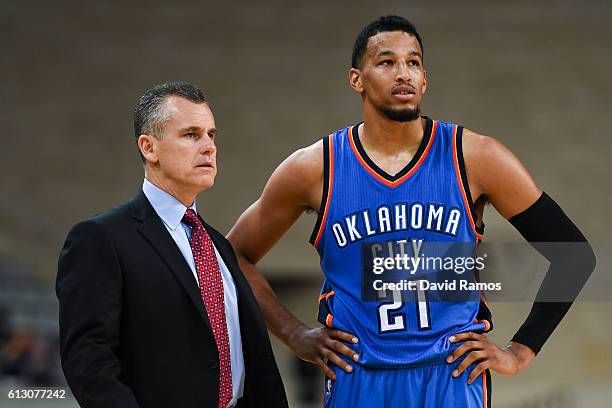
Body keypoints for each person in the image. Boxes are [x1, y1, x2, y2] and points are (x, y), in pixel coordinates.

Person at [227, 16, 595, 407]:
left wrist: (521, 350)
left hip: (450, 375)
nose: (403, 73)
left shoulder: (476, 157)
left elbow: (574, 256)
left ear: (424, 79)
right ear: (357, 79)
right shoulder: (314, 169)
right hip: (358, 374)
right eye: (386, 62)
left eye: (413, 62)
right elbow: (233, 254)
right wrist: (294, 334)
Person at [56, 81, 287, 408]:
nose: (209, 146)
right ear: (148, 147)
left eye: (212, 134)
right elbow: (89, 361)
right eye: (191, 135)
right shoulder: (100, 238)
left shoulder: (218, 245)